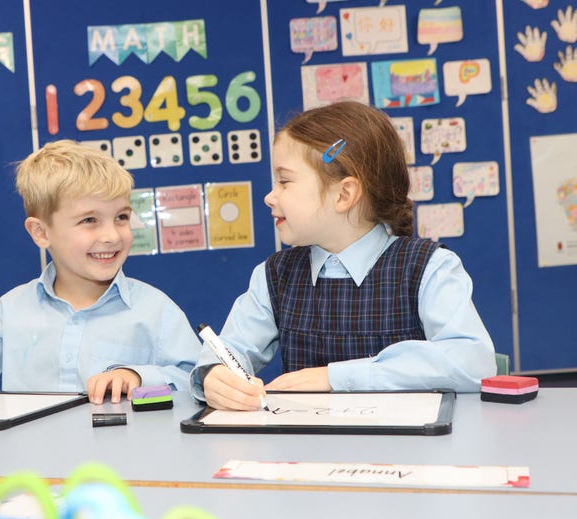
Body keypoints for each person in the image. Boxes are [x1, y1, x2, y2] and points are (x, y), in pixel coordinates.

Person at [191, 101, 496, 411]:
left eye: (284, 181)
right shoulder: (275, 276)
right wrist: (214, 376)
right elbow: (231, 349)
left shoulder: (429, 268)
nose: (270, 196)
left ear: (344, 195)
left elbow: (474, 362)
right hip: (304, 453)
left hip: (405, 451)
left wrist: (338, 377)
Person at [0, 140, 200, 411]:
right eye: (89, 220)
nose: (112, 235)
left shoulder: (155, 309)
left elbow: (196, 380)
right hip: (32, 465)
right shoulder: (13, 309)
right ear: (41, 232)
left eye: (121, 217)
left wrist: (137, 377)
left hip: (124, 462)